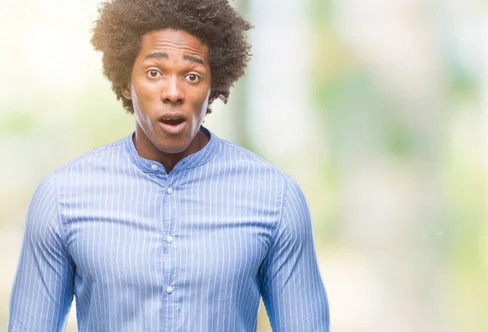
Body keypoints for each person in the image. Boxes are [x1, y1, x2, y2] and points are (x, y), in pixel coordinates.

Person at [7, 0, 329, 331]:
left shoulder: (275, 198)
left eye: (192, 75)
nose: (173, 92)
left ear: (212, 87)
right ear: (125, 83)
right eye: (154, 73)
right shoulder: (62, 197)